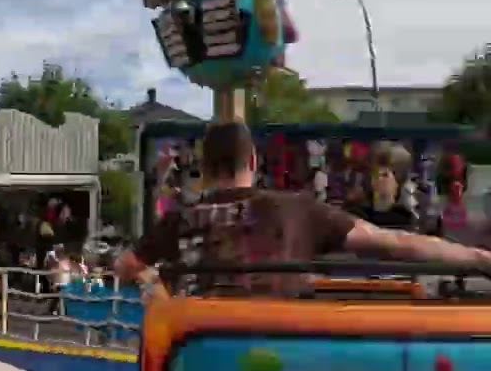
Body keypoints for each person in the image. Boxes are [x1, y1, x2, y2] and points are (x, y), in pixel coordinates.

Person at [115, 122, 491, 295]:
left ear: (205, 165)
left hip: (196, 366)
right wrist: (477, 257)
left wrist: (154, 289)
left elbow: (126, 266)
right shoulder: (298, 210)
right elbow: (394, 242)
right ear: (254, 160)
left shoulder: (178, 220)